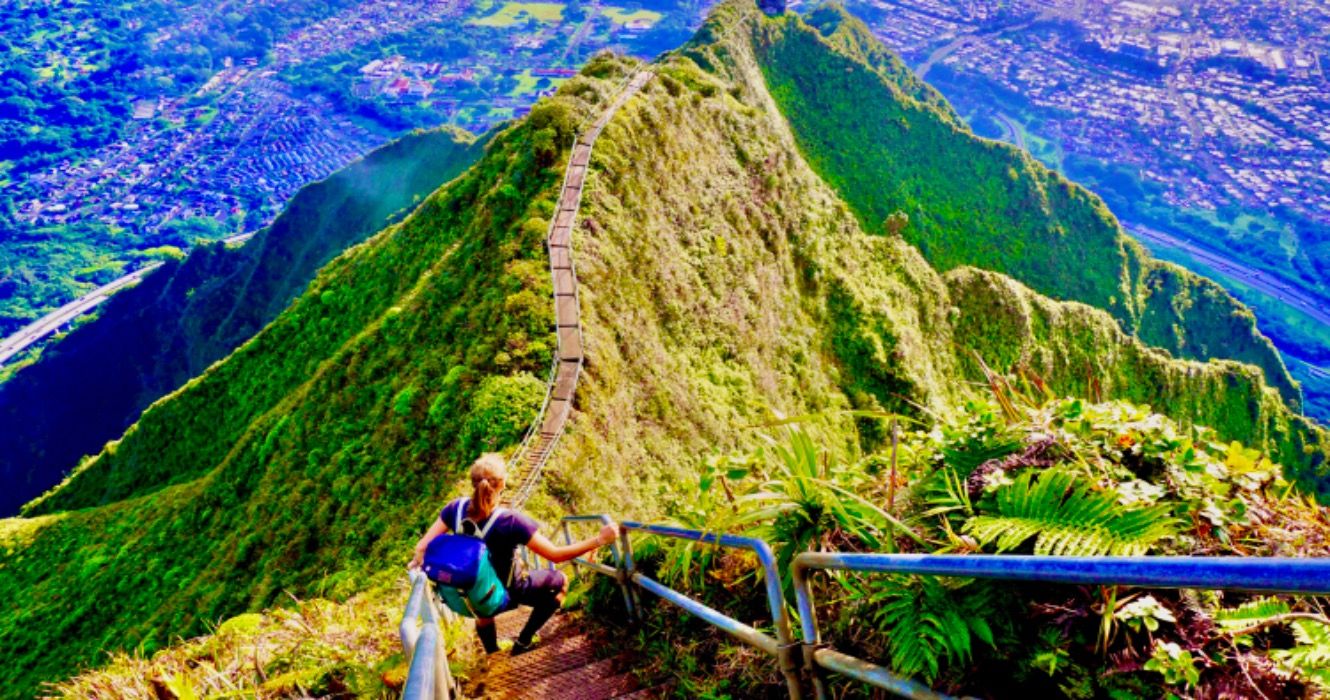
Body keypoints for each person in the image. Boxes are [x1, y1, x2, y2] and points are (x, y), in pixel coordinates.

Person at [408, 453, 620, 655]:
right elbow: (555, 555)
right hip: (511, 591)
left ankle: (492, 653)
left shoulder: (455, 509)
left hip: (473, 592)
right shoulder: (511, 522)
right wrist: (599, 540)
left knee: (482, 601)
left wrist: (417, 561)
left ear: (473, 483)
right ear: (502, 485)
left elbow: (422, 546)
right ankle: (524, 640)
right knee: (561, 582)